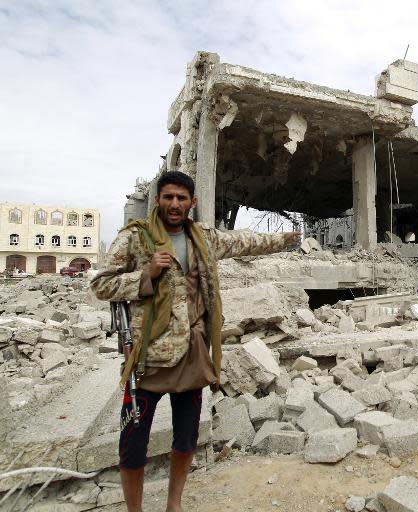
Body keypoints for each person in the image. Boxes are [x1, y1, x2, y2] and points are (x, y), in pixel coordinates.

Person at [91, 171, 300, 512]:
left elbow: (244, 242)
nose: (174, 204)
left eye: (181, 198)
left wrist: (285, 239)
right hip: (147, 358)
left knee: (186, 439)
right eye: (168, 197)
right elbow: (101, 285)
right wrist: (146, 276)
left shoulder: (202, 238)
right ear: (158, 200)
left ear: (192, 203)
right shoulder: (135, 239)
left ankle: (174, 504)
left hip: (191, 351)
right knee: (132, 445)